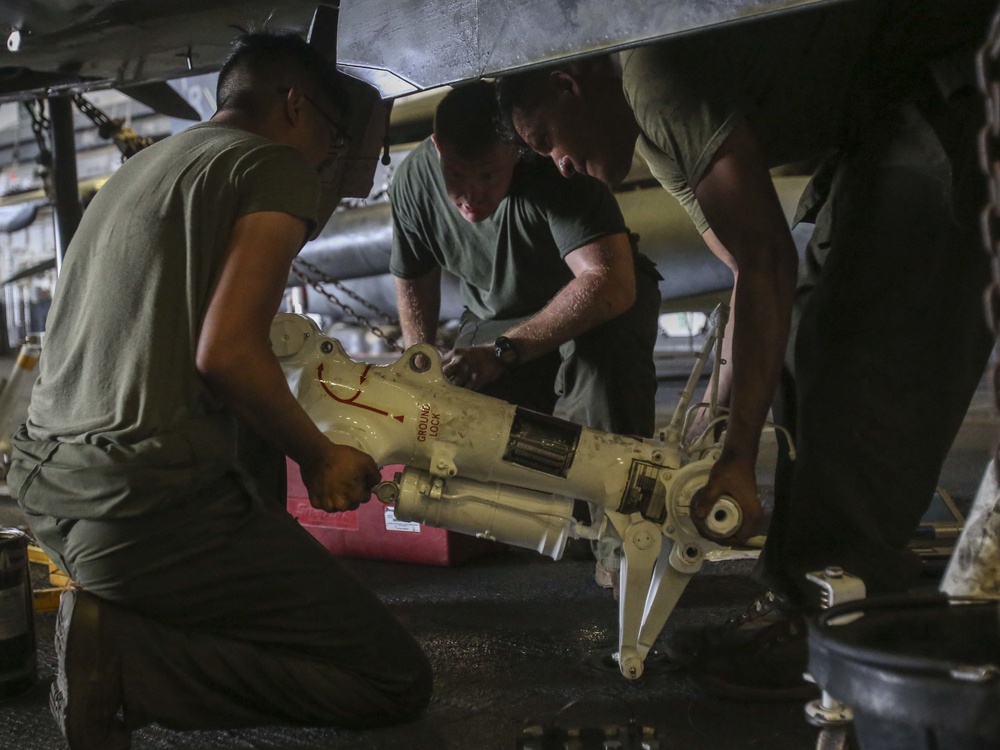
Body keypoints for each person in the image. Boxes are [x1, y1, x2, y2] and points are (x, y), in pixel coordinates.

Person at [497, 0, 997, 698]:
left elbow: (767, 261)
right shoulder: (659, 135)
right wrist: (717, 422)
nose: (561, 164)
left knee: (860, 360)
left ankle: (842, 623)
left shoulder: (652, 76)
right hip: (891, 115)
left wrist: (737, 460)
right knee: (804, 356)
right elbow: (744, 273)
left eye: (548, 139)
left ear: (570, 84)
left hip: (958, 89)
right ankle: (809, 601)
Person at [8, 32, 432, 748]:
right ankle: (127, 667)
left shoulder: (144, 171)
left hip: (51, 491)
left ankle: (120, 627)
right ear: (294, 105)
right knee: (394, 679)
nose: (328, 161)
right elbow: (229, 354)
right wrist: (318, 455)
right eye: (331, 140)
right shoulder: (271, 165)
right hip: (144, 505)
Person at [389, 80, 662, 588]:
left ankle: (621, 543)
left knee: (605, 367)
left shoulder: (555, 168)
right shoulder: (412, 181)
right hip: (498, 320)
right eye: (456, 177)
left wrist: (504, 351)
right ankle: (550, 520)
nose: (470, 198)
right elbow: (413, 277)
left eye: (489, 175)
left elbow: (609, 282)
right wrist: (419, 365)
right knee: (458, 404)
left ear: (517, 151)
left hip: (593, 306)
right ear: (435, 147)